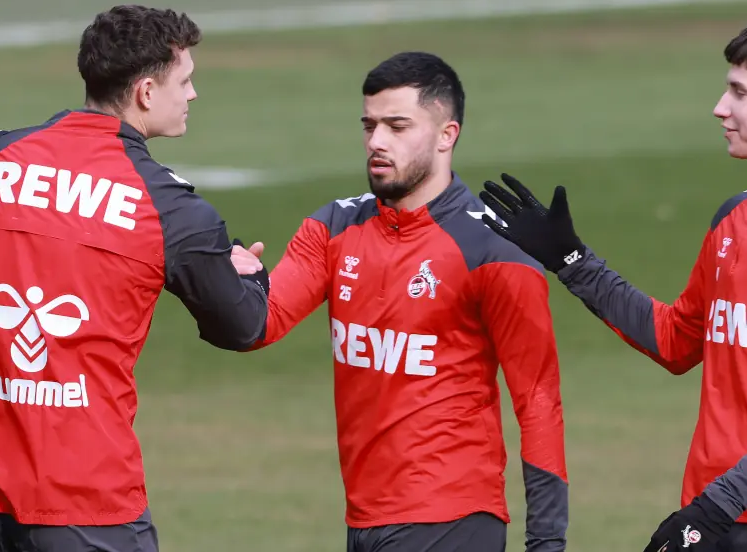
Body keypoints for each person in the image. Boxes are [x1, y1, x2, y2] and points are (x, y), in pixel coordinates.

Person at [0, 5, 270, 551]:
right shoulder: (171, 208)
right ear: (144, 92)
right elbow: (243, 325)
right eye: (184, 81)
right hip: (83, 502)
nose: (192, 95)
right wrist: (245, 270)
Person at [478, 11, 747, 552]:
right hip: (721, 508)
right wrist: (572, 260)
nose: (719, 108)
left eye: (738, 93)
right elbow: (677, 339)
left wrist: (713, 507)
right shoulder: (734, 217)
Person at [230, 51, 569, 551]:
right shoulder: (333, 227)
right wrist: (227, 279)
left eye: (397, 125)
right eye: (369, 125)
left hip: (453, 520)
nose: (376, 142)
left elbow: (538, 402)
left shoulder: (495, 252)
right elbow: (257, 327)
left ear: (446, 135)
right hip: (364, 520)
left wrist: (546, 544)